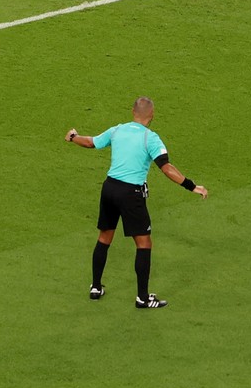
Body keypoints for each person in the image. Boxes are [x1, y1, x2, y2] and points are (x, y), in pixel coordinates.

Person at [65, 97, 208, 309]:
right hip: (131, 194)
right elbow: (166, 167)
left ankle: (95, 287)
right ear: (152, 116)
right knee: (144, 244)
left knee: (105, 237)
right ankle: (142, 297)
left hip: (109, 188)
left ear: (133, 111)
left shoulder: (117, 130)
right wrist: (192, 186)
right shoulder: (150, 138)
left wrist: (73, 136)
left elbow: (91, 142)